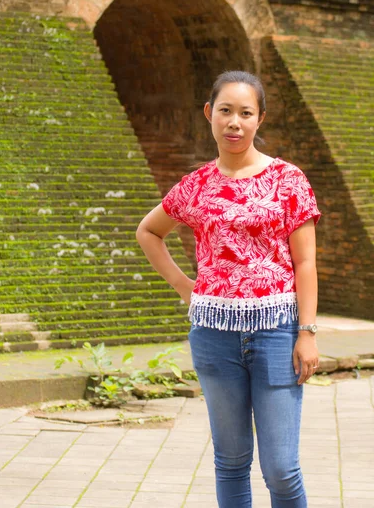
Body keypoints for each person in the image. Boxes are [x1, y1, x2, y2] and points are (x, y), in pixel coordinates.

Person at [136, 70, 321, 508]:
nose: (234, 122)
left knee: (280, 468)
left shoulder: (287, 179)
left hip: (277, 331)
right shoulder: (196, 185)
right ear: (209, 114)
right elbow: (148, 231)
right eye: (225, 111)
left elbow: (306, 261)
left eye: (245, 113)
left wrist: (307, 331)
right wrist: (186, 287)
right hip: (213, 334)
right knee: (231, 460)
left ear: (260, 119)